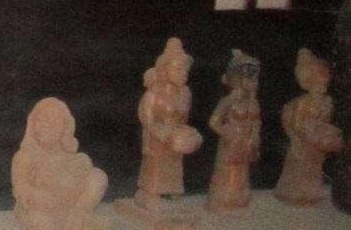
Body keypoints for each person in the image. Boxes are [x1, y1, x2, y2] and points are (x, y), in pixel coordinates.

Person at [11, 98, 108, 230]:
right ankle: (72, 225)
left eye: (52, 121)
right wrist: (37, 195)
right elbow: (20, 189)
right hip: (43, 207)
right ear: (31, 125)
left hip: (72, 205)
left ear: (66, 128)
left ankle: (80, 214)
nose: (44, 126)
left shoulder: (73, 157)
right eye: (40, 121)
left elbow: (88, 179)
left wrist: (84, 165)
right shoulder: (24, 157)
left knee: (98, 176)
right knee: (42, 225)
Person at [134, 37, 203, 213]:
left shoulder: (186, 93)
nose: (183, 73)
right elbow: (147, 120)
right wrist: (163, 134)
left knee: (174, 164)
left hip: (174, 138)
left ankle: (172, 194)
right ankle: (150, 194)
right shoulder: (153, 94)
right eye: (178, 69)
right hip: (157, 137)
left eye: (185, 69)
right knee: (157, 166)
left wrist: (186, 132)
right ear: (165, 70)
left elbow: (183, 118)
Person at [275, 48, 344, 205]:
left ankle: (310, 193)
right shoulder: (303, 102)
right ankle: (296, 193)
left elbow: (326, 122)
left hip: (317, 140)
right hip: (304, 138)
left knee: (314, 167)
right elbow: (296, 123)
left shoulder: (328, 102)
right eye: (320, 74)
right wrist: (307, 134)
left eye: (326, 74)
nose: (325, 77)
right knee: (301, 166)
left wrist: (325, 132)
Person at [206, 50, 262, 213]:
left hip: (246, 142)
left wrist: (255, 134)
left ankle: (239, 200)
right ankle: (223, 201)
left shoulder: (252, 102)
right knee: (228, 170)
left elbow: (257, 120)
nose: (256, 83)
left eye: (256, 79)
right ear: (239, 80)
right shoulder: (227, 101)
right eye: (252, 79)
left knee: (242, 172)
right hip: (231, 142)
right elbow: (214, 121)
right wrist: (228, 133)